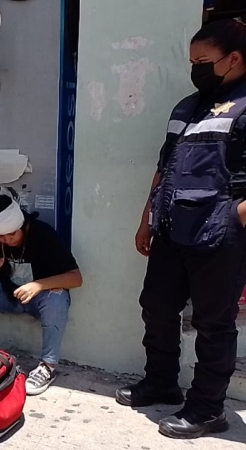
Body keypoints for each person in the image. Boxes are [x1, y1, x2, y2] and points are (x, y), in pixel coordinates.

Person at [116, 19, 246, 440]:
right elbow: (165, 167)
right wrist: (146, 218)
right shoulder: (186, 107)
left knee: (213, 323)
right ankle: (162, 382)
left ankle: (208, 409)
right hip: (172, 227)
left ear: (234, 58)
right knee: (156, 306)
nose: (196, 70)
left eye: (203, 61)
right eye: (192, 62)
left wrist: (235, 217)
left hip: (220, 232)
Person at [0, 195, 82, 396]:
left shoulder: (42, 234)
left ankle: (48, 366)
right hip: (7, 297)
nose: (7, 240)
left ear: (22, 225)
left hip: (39, 300)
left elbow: (76, 278)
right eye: (1, 236)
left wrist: (38, 285)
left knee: (57, 294)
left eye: (12, 234)